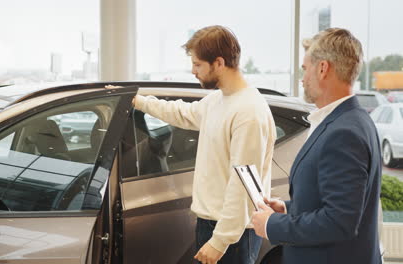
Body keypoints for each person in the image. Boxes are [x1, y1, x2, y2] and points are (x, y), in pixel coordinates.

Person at [133, 25, 276, 264]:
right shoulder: (219, 100)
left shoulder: (249, 111)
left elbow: (242, 185)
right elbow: (183, 113)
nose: (193, 71)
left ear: (219, 63)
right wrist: (140, 102)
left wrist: (220, 240)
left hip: (234, 234)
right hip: (211, 224)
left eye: (198, 64)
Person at [251, 28, 382, 264]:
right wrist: (288, 209)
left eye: (305, 69)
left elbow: (339, 221)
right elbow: (331, 201)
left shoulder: (344, 132)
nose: (302, 79)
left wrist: (273, 225)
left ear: (322, 68)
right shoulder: (351, 119)